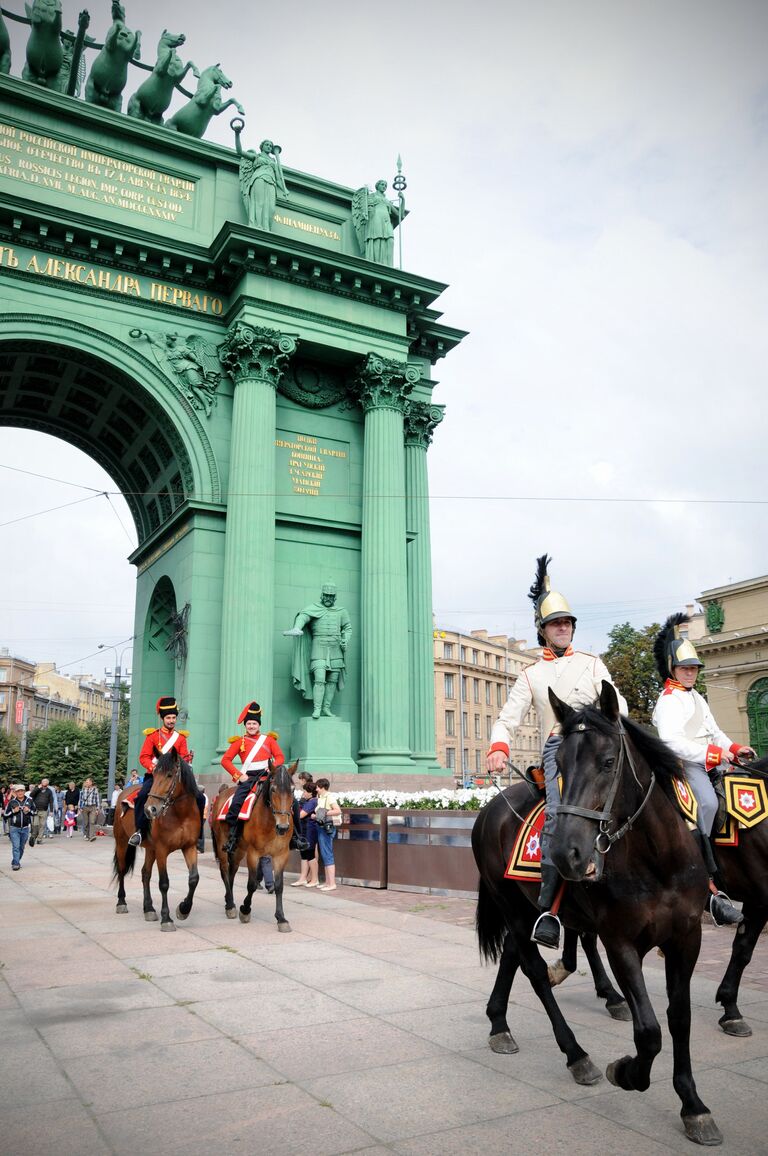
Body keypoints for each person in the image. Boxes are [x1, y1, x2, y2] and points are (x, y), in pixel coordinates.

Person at [486, 554, 628, 950]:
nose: (563, 628)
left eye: (567, 622)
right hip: (560, 747)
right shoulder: (531, 674)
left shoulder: (593, 662)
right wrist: (499, 745)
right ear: (543, 630)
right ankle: (549, 909)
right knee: (559, 811)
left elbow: (621, 707)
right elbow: (507, 718)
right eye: (556, 623)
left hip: (599, 740)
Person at [652, 613, 752, 926]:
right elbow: (672, 742)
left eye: (694, 668)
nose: (691, 672)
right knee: (707, 802)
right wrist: (710, 754)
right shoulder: (667, 701)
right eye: (685, 668)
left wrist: (734, 749)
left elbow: (715, 731)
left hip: (710, 759)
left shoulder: (696, 696)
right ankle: (700, 862)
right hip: (685, 766)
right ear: (673, 668)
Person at [221, 701, 285, 874]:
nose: (251, 726)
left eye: (254, 723)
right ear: (245, 725)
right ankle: (233, 837)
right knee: (236, 803)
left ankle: (296, 837)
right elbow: (225, 760)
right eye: (249, 723)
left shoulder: (269, 740)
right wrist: (238, 775)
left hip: (268, 777)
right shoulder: (239, 742)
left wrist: (272, 766)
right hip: (248, 778)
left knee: (289, 803)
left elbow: (280, 757)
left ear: (259, 725)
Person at [129, 696, 201, 847]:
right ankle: (140, 832)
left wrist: (188, 760)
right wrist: (154, 767)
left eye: (173, 717)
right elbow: (144, 757)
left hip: (175, 777)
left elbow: (182, 758)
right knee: (142, 796)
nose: (171, 720)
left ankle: (197, 831)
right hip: (155, 776)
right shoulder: (153, 736)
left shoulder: (181, 738)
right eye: (168, 717)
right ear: (162, 718)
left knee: (199, 797)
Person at [285, 581, 352, 719]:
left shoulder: (341, 611)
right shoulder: (314, 608)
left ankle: (326, 708)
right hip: (318, 648)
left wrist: (345, 639)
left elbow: (347, 628)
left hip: (335, 649)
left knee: (332, 680)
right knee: (320, 679)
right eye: (326, 595)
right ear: (322, 595)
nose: (328, 598)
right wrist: (297, 627)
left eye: (331, 596)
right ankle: (317, 709)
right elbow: (303, 616)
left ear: (335, 597)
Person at [236, 134, 288, 230]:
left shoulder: (274, 162)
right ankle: (257, 226)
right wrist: (237, 133)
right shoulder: (256, 156)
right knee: (259, 203)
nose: (269, 147)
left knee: (271, 208)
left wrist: (285, 189)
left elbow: (278, 180)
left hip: (272, 183)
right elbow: (239, 151)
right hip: (259, 179)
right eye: (267, 145)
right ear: (262, 146)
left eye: (270, 146)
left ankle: (266, 227)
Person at [314, 777, 342, 891]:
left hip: (326, 828)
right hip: (322, 827)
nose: (316, 789)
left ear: (322, 787)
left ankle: (332, 884)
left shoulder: (329, 797)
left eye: (317, 787)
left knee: (327, 854)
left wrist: (323, 813)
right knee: (325, 854)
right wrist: (317, 815)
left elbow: (338, 810)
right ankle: (328, 882)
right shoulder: (321, 797)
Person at [291, 781, 319, 887]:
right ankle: (303, 878)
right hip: (303, 831)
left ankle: (315, 879)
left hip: (310, 831)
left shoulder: (313, 801)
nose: (304, 793)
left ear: (311, 793)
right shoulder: (308, 801)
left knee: (310, 854)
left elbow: (301, 815)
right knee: (303, 855)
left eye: (305, 791)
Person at [4, 784, 36, 870]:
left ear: (24, 791)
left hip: (25, 828)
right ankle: (16, 864)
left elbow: (35, 812)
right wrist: (13, 811)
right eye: (18, 791)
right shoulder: (12, 802)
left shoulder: (30, 801)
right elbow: (5, 815)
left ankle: (15, 860)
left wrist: (28, 810)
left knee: (21, 847)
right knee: (16, 846)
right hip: (14, 828)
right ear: (15, 792)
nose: (20, 792)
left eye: (22, 790)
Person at [30, 777, 54, 844]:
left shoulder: (49, 791)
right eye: (43, 783)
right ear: (41, 783)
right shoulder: (37, 789)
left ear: (48, 784)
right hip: (36, 810)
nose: (44, 784)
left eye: (46, 783)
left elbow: (51, 801)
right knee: (35, 825)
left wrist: (51, 811)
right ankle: (33, 836)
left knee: (42, 825)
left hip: (44, 810)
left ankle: (39, 839)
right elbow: (31, 795)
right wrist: (38, 788)